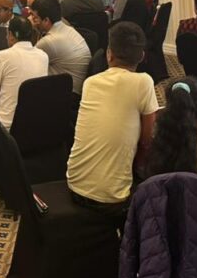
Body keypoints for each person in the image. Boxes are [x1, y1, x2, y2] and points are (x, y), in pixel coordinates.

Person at [66, 22, 157, 217]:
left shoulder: (90, 83)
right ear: (141, 56)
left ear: (109, 54)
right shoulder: (143, 82)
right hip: (112, 200)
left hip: (74, 183)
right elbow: (147, 139)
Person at [0, 16, 48, 149]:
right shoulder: (43, 56)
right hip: (34, 121)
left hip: (6, 124)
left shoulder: (2, 56)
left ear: (11, 35)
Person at [30, 0, 90, 95]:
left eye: (34, 17)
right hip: (75, 88)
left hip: (66, 95)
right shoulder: (66, 28)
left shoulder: (49, 41)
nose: (31, 20)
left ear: (46, 20)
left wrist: (30, 29)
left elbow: (25, 63)